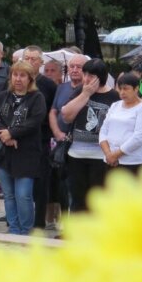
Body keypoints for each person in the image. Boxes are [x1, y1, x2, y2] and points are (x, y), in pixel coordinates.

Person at [0, 61, 47, 235]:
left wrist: (12, 134)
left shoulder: (37, 98)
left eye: (22, 75)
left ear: (30, 79)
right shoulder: (2, 96)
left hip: (27, 153)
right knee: (9, 194)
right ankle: (14, 229)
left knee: (23, 195)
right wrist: (5, 136)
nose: (18, 79)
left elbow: (35, 121)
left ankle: (26, 230)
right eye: (15, 75)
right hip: (4, 153)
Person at [61, 58, 120, 212]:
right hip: (76, 154)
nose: (86, 78)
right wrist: (85, 94)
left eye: (91, 76)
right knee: (77, 198)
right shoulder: (80, 91)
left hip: (101, 155)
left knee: (97, 200)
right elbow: (66, 115)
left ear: (100, 77)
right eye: (85, 74)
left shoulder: (114, 96)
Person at [23, 46, 58, 231]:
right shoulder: (17, 81)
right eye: (26, 58)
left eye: (34, 59)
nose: (30, 61)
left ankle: (38, 222)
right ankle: (22, 220)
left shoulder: (49, 85)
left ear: (40, 62)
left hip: (41, 138)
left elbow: (53, 112)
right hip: (19, 139)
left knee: (41, 181)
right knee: (22, 183)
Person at [49, 54, 86, 214]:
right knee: (61, 184)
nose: (75, 70)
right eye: (72, 66)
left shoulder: (88, 89)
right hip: (60, 142)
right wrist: (57, 132)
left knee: (76, 185)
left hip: (80, 143)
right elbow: (53, 111)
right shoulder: (62, 88)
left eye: (79, 67)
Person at [98, 73, 142, 174]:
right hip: (110, 160)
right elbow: (104, 130)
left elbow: (139, 137)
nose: (122, 92)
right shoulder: (115, 105)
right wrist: (108, 154)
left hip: (132, 162)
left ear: (136, 89)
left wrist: (116, 155)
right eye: (120, 89)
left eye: (126, 88)